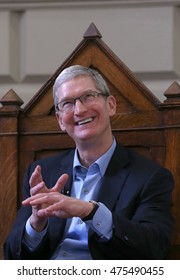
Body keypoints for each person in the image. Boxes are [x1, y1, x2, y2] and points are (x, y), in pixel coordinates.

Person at [4, 65, 174, 260]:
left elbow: (155, 248)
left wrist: (91, 211)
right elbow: (11, 257)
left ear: (111, 105)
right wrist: (36, 223)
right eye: (67, 103)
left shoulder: (150, 177)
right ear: (60, 120)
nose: (79, 109)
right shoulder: (41, 173)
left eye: (88, 96)